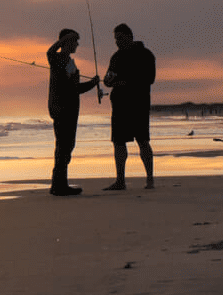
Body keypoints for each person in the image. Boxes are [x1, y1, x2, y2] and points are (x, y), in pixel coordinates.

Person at [46, 28, 100, 196]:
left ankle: (60, 183)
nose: (77, 44)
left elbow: (75, 88)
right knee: (63, 146)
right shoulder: (57, 58)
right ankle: (58, 186)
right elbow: (49, 52)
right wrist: (63, 40)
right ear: (67, 42)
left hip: (70, 109)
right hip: (61, 109)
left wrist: (92, 83)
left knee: (67, 146)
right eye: (74, 41)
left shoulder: (69, 62)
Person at [102, 23, 156, 190]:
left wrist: (126, 82)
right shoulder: (116, 57)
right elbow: (107, 79)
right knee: (118, 142)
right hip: (119, 105)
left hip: (139, 105)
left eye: (120, 38)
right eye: (116, 39)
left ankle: (150, 179)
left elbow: (150, 78)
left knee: (143, 141)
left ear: (129, 36)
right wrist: (109, 80)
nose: (117, 42)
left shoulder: (146, 54)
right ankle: (120, 180)